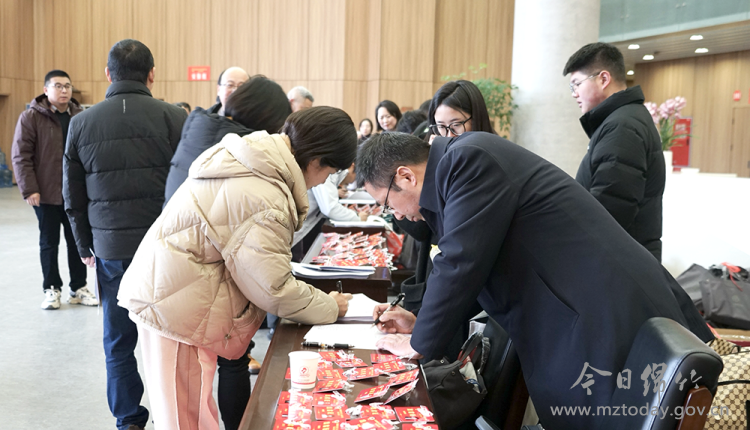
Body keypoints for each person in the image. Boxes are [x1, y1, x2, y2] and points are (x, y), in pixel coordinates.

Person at [356, 131, 713, 429]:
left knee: (613, 416)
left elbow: (459, 262)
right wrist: (420, 323)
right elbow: (474, 267)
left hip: (604, 309)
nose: (394, 215)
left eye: (387, 204)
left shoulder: (466, 161)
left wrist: (419, 343)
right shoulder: (457, 167)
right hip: (575, 310)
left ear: (406, 176)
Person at [117, 106, 356, 429]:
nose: (323, 182)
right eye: (330, 173)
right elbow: (273, 287)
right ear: (316, 161)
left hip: (176, 292)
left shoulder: (255, 160)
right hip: (175, 303)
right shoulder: (265, 195)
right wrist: (330, 305)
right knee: (185, 419)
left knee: (188, 411)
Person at [63, 39, 187, 430]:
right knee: (172, 337)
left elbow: (72, 195)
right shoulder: (174, 117)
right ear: (152, 74)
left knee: (118, 340)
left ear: (108, 74)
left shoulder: (81, 123)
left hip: (110, 248)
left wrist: (84, 246)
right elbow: (190, 188)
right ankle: (174, 417)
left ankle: (128, 419)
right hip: (165, 249)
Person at [163, 75, 291, 429]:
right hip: (205, 269)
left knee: (197, 378)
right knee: (230, 361)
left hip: (183, 263)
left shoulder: (199, 128)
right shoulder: (237, 150)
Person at [563, 43, 664, 261]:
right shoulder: (624, 118)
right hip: (625, 258)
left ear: (603, 79)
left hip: (621, 263)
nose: (574, 94)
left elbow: (610, 209)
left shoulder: (622, 126)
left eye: (577, 84)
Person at [11, 70, 96, 310]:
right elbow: (21, 156)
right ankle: (51, 289)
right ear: (46, 90)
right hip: (45, 194)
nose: (64, 90)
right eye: (58, 86)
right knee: (49, 243)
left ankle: (78, 288)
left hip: (76, 195)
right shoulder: (31, 117)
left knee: (77, 242)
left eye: (67, 86)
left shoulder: (80, 116)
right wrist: (29, 189)